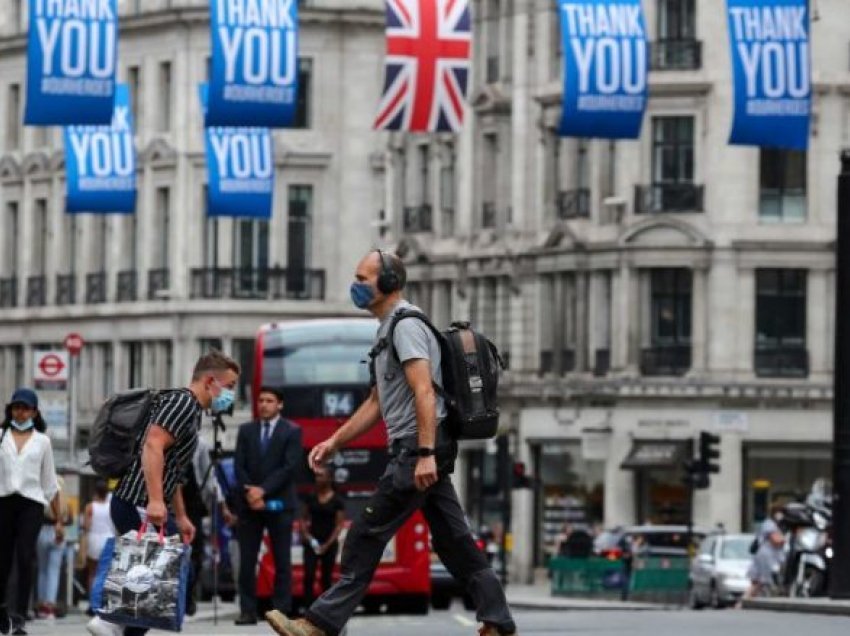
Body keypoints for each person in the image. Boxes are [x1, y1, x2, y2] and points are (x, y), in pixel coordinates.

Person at [265, 250, 517, 636]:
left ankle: (319, 623)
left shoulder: (406, 327)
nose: (356, 286)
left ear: (389, 284)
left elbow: (424, 392)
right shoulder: (386, 330)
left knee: (366, 533)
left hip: (416, 447)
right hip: (418, 447)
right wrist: (334, 442)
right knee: (454, 540)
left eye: (363, 279)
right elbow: (375, 403)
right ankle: (497, 621)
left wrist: (425, 454)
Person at [86, 350, 240, 636]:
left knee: (162, 575)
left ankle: (114, 622)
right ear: (210, 381)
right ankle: (111, 620)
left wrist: (180, 515)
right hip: (137, 501)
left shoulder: (193, 411)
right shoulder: (182, 402)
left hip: (145, 503)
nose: (231, 395)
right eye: (229, 387)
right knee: (164, 572)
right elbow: (153, 446)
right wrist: (156, 501)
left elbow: (173, 469)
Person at [233, 386, 303, 625]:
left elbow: (289, 467)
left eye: (269, 401)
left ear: (279, 404)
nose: (263, 404)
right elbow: (238, 466)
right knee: (247, 560)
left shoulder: (292, 431)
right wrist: (251, 493)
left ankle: (282, 610)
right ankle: (247, 610)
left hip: (279, 504)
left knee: (283, 560)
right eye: (261, 400)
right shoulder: (246, 430)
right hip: (249, 506)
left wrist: (262, 491)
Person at [0, 388, 63, 636]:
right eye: (16, 407)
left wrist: (58, 520)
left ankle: (19, 617)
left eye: (26, 408)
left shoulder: (43, 441)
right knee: (2, 561)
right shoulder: (1, 436)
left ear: (35, 412)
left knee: (26, 557)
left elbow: (50, 483)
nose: (21, 412)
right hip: (3, 502)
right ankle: (2, 609)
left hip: (31, 505)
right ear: (10, 410)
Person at [183, 437, 234, 617]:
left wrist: (223, 507)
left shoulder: (200, 445)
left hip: (193, 504)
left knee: (195, 552)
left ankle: (188, 595)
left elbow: (211, 479)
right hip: (170, 503)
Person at [300, 467, 345, 608]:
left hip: (329, 543)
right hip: (312, 542)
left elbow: (339, 525)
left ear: (329, 479)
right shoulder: (311, 497)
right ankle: (308, 608)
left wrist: (327, 544)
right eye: (317, 476)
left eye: (321, 476)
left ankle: (325, 609)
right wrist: (307, 536)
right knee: (308, 576)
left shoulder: (337, 500)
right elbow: (302, 518)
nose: (318, 479)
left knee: (326, 578)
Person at [35, 476, 72, 621]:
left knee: (42, 570)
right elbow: (70, 518)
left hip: (43, 530)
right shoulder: (65, 500)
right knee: (54, 571)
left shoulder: (43, 493)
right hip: (59, 531)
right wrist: (60, 522)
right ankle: (50, 607)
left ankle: (41, 606)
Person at [83, 480, 114, 616]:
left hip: (94, 539)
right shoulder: (111, 506)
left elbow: (86, 525)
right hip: (108, 539)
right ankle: (104, 602)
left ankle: (92, 603)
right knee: (106, 573)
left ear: (95, 492)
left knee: (92, 573)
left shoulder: (90, 507)